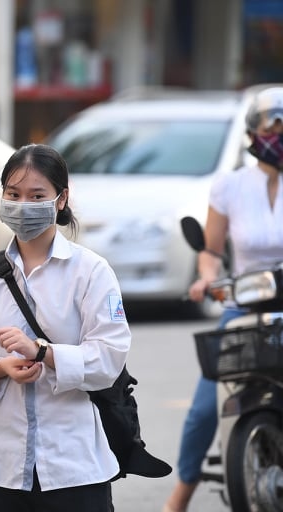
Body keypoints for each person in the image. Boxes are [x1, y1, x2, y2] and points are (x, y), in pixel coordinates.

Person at [0, 144, 131, 511]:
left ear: (61, 199)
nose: (23, 205)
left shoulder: (91, 272)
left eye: (36, 195)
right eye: (13, 194)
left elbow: (109, 357)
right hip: (1, 467)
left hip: (75, 468)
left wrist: (43, 352)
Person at [162, 86, 283, 512]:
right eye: (275, 124)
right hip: (245, 303)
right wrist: (206, 279)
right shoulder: (229, 185)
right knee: (202, 408)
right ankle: (182, 492)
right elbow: (211, 251)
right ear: (254, 131)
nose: (281, 133)